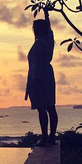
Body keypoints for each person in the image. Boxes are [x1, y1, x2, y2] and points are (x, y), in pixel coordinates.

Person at [25, 8, 58, 145]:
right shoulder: (48, 40)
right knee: (50, 107)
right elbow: (49, 29)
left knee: (42, 109)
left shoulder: (40, 43)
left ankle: (45, 137)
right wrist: (46, 14)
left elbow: (34, 66)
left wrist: (31, 82)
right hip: (47, 75)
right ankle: (51, 137)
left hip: (38, 77)